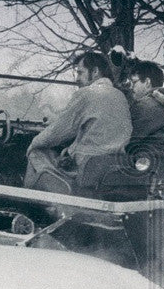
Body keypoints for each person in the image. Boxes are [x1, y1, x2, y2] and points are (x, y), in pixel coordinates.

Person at [24, 50, 132, 194]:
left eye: (80, 73)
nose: (77, 78)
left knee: (36, 151)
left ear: (95, 72)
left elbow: (58, 132)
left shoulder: (86, 94)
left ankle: (34, 202)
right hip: (114, 162)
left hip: (85, 165)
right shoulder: (120, 96)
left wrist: (34, 142)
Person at [126, 60, 164, 164]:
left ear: (147, 82)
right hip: (160, 165)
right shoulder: (163, 103)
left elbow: (127, 138)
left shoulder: (147, 105)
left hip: (145, 166)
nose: (131, 87)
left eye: (134, 82)